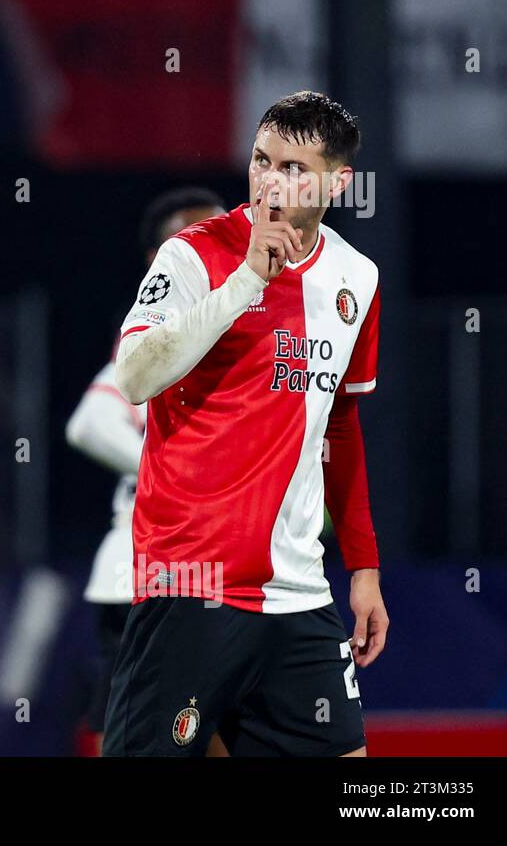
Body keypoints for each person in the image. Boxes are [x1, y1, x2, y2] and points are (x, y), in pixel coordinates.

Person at [103, 91, 388, 757]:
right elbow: (136, 376)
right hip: (191, 584)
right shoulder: (193, 255)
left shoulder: (357, 278)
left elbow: (339, 428)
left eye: (293, 168)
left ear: (336, 182)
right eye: (262, 161)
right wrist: (245, 283)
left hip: (299, 593)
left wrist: (365, 570)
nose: (270, 181)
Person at [64, 188, 224, 754]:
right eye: (192, 241)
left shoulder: (241, 338)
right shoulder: (155, 348)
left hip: (231, 575)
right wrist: (181, 474)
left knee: (225, 724)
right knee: (133, 732)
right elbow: (89, 424)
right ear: (161, 262)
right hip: (147, 573)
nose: (213, 251)